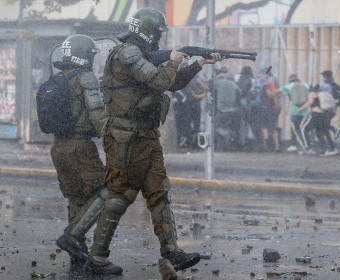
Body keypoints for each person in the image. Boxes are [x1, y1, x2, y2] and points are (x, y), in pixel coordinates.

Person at [85, 7, 223, 274]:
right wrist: (174, 59)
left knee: (159, 193)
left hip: (146, 135)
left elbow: (171, 84)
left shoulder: (139, 55)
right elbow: (160, 81)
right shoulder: (127, 52)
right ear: (149, 32)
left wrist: (199, 63)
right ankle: (97, 258)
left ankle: (172, 252)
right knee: (121, 195)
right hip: (126, 136)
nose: (160, 39)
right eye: (158, 33)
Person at [49, 35, 108, 263]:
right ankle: (72, 236)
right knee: (109, 189)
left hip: (58, 146)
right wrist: (113, 137)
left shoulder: (59, 77)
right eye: (92, 55)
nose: (93, 59)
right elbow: (97, 116)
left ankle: (77, 252)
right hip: (80, 146)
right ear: (85, 55)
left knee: (76, 196)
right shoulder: (87, 78)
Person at [297, 83, 338, 156]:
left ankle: (308, 148)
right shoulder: (322, 93)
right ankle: (324, 150)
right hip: (324, 115)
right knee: (320, 133)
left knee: (304, 129)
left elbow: (310, 102)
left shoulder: (312, 93)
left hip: (315, 114)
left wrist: (300, 109)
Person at [272, 74, 308, 152]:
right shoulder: (305, 85)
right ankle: (293, 145)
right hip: (305, 111)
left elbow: (276, 91)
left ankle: (304, 146)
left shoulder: (290, 85)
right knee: (295, 128)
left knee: (296, 129)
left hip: (295, 112)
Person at [249, 68, 280, 152]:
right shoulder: (267, 83)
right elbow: (269, 93)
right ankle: (277, 147)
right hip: (266, 108)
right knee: (271, 128)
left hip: (257, 108)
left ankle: (263, 146)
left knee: (260, 127)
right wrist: (278, 93)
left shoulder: (255, 82)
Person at [214, 67, 242, 150]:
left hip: (221, 109)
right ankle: (225, 143)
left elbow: (210, 84)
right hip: (231, 110)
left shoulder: (218, 82)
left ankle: (227, 135)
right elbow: (240, 92)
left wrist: (219, 77)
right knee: (226, 126)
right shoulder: (232, 83)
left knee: (216, 127)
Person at [321, 70, 340, 138]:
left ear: (325, 77)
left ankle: (335, 129)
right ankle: (334, 131)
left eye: (323, 76)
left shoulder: (327, 86)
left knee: (322, 125)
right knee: (324, 124)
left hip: (327, 109)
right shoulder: (335, 85)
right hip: (333, 109)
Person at [237, 66, 255, 148]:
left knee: (241, 122)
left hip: (239, 102)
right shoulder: (252, 79)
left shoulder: (238, 78)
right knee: (248, 121)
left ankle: (242, 141)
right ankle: (247, 139)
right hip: (248, 102)